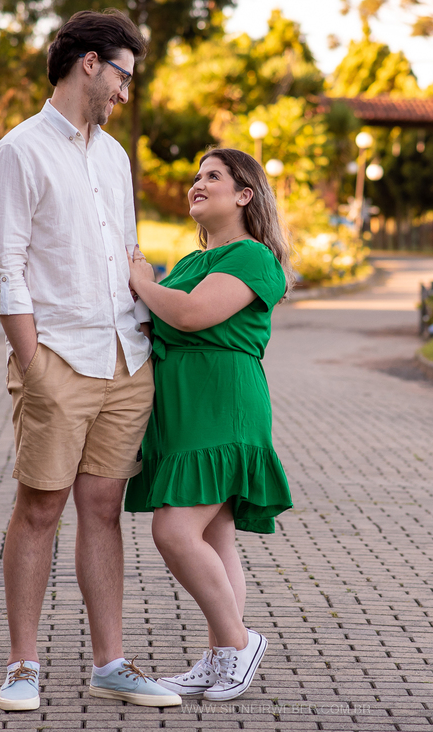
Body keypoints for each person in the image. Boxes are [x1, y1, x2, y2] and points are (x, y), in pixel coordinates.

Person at [0, 9, 181, 711]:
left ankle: (110, 663)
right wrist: (33, 362)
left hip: (126, 357)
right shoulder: (19, 152)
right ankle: (23, 664)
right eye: (123, 76)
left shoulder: (115, 156)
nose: (126, 92)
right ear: (89, 63)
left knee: (103, 509)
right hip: (59, 358)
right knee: (40, 506)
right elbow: (4, 267)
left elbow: (126, 252)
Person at [124, 148, 295, 702]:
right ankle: (221, 657)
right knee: (216, 536)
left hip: (224, 406)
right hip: (183, 412)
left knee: (174, 531)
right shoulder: (189, 264)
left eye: (213, 176)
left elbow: (191, 315)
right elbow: (159, 326)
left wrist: (142, 282)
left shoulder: (253, 256)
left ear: (245, 195)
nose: (198, 183)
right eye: (196, 176)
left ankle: (239, 642)